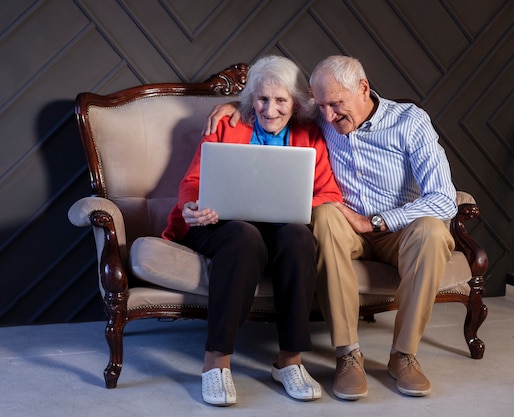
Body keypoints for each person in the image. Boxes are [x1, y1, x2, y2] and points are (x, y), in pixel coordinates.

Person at [204, 55, 458, 400]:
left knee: (433, 231)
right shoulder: (321, 120)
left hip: (398, 229)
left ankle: (404, 355)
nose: (328, 115)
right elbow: (275, 104)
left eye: (336, 104)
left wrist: (376, 222)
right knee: (322, 215)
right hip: (344, 226)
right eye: (320, 105)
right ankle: (347, 353)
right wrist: (237, 104)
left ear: (363, 89)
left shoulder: (410, 122)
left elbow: (445, 199)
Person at [162, 55, 343, 406]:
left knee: (298, 237)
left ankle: (289, 361)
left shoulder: (310, 134)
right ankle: (216, 363)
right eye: (262, 99)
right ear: (251, 99)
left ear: (295, 103)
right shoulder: (227, 125)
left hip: (280, 228)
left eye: (280, 101)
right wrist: (191, 207)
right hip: (220, 224)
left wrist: (298, 208)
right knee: (245, 237)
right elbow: (193, 182)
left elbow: (329, 194)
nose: (270, 110)